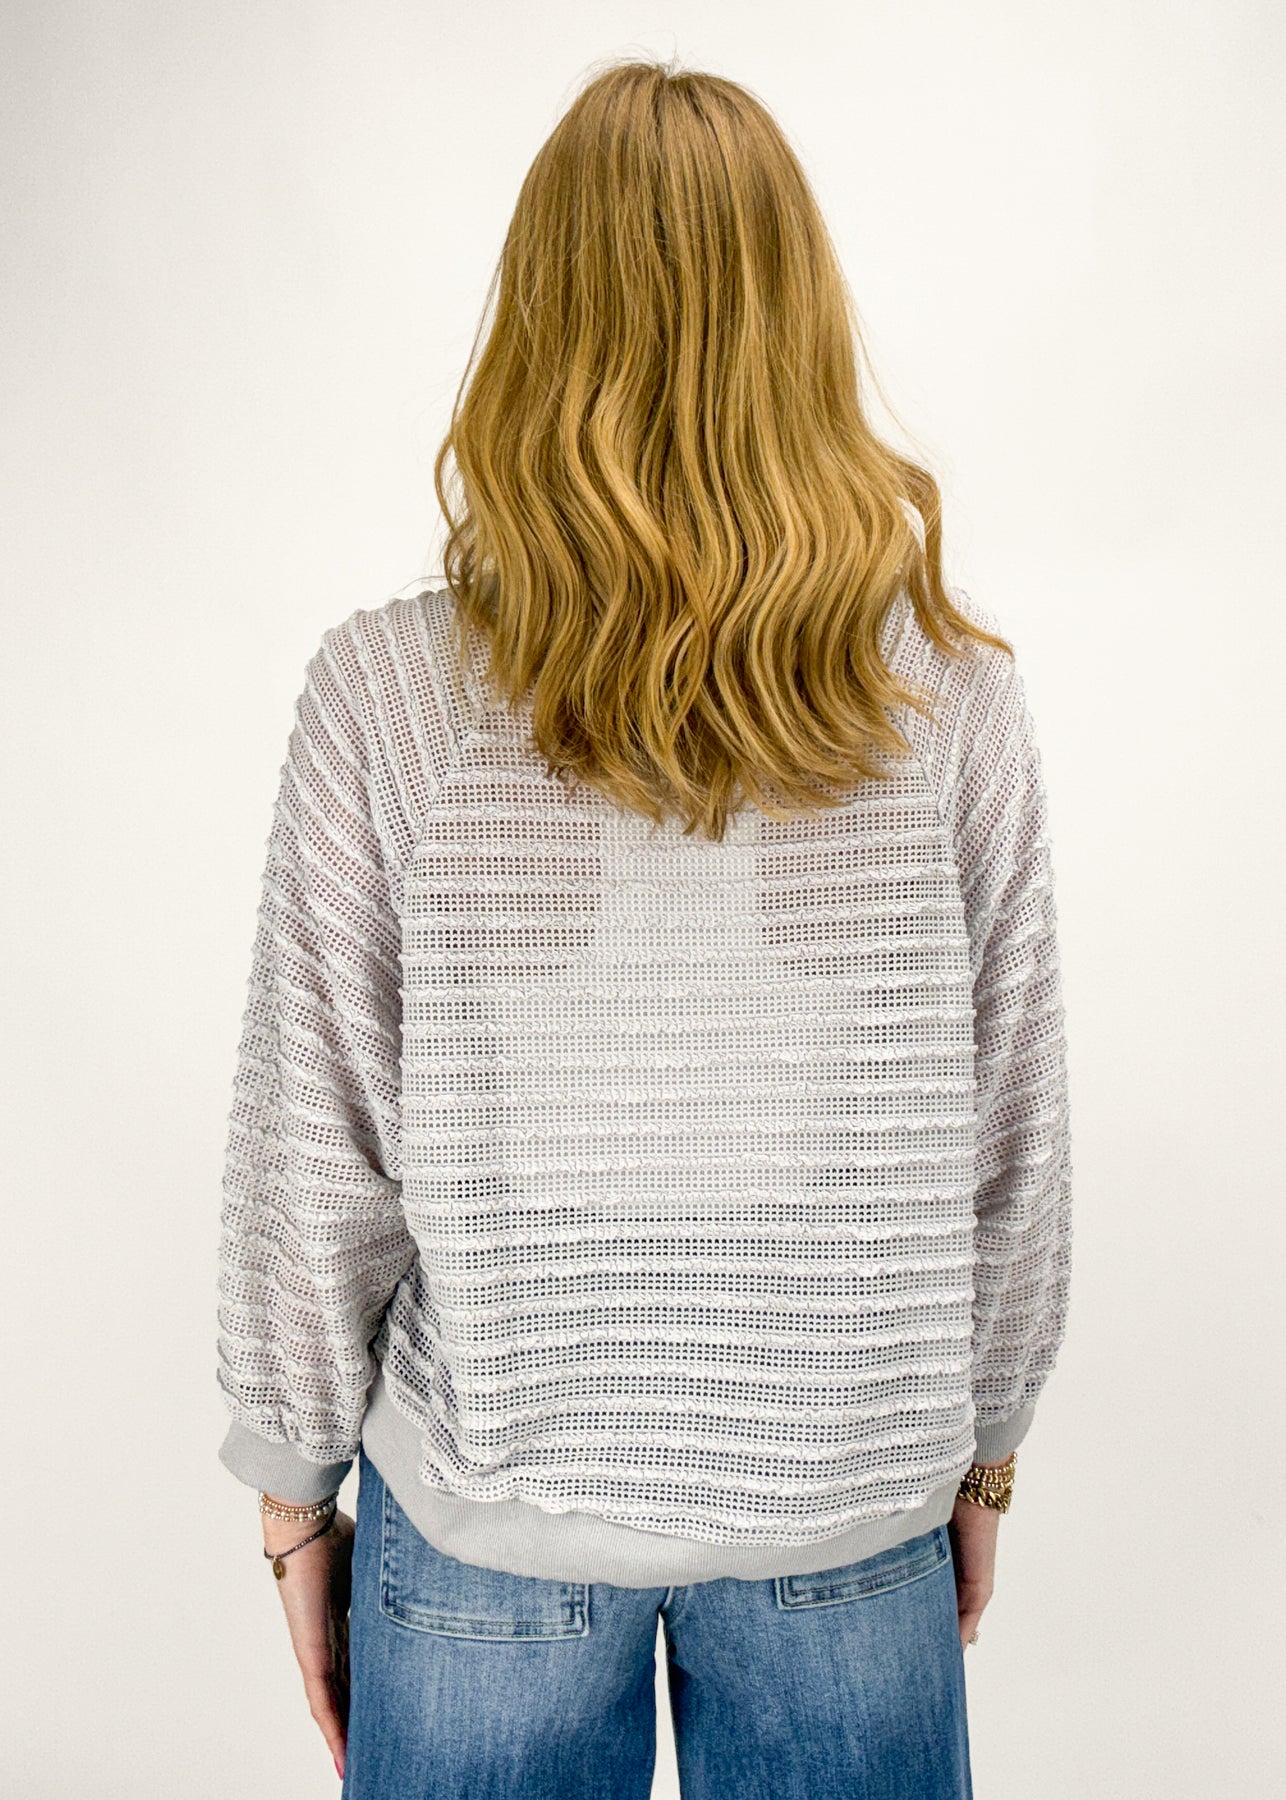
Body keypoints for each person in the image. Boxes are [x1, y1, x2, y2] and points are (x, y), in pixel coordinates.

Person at [216, 54, 1072, 1800]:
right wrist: (981, 1456)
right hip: (847, 1513)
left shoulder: (387, 693)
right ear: (796, 321)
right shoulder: (947, 698)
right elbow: (1013, 1136)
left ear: (537, 322)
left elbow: (315, 1146)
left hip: (487, 1529)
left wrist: (293, 1497)